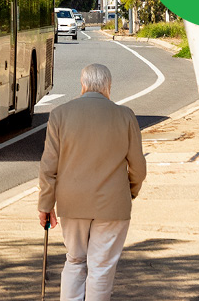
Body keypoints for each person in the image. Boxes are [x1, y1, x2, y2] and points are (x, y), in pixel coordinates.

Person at [38, 63, 147, 301]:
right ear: (108, 86)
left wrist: (45, 205)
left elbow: (48, 167)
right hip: (113, 204)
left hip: (72, 203)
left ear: (83, 84)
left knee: (75, 259)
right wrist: (129, 192)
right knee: (101, 266)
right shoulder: (125, 115)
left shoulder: (59, 114)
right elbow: (138, 167)